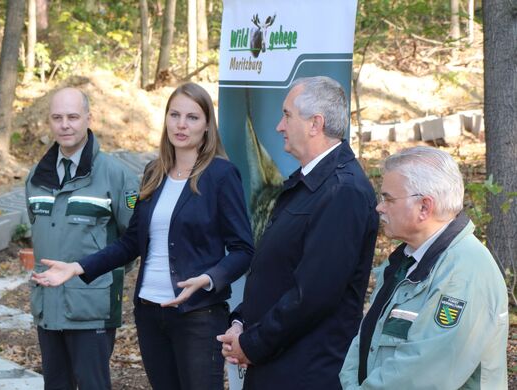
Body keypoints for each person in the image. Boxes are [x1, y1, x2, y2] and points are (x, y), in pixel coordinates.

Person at [32, 82, 254, 390]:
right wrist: (77, 268)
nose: (181, 124)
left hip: (198, 315)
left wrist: (209, 278)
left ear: (207, 126)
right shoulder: (154, 172)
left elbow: (244, 249)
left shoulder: (221, 174)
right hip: (149, 313)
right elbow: (129, 243)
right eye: (174, 115)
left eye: (192, 117)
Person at [217, 76, 379, 389]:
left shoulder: (343, 192)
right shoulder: (307, 184)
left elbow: (313, 295)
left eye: (287, 115)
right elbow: (275, 272)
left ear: (315, 123)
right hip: (277, 362)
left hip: (305, 372)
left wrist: (252, 344)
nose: (279, 126)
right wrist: (240, 322)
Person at [340, 146, 509, 389]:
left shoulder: (464, 273)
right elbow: (365, 339)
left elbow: (421, 375)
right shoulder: (406, 262)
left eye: (388, 198)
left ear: (424, 207)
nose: (380, 207)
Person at [25, 87, 139, 390]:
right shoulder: (36, 177)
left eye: (73, 117)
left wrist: (100, 279)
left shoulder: (116, 175)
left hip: (92, 309)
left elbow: (132, 241)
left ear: (89, 118)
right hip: (48, 306)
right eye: (57, 117)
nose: (65, 124)